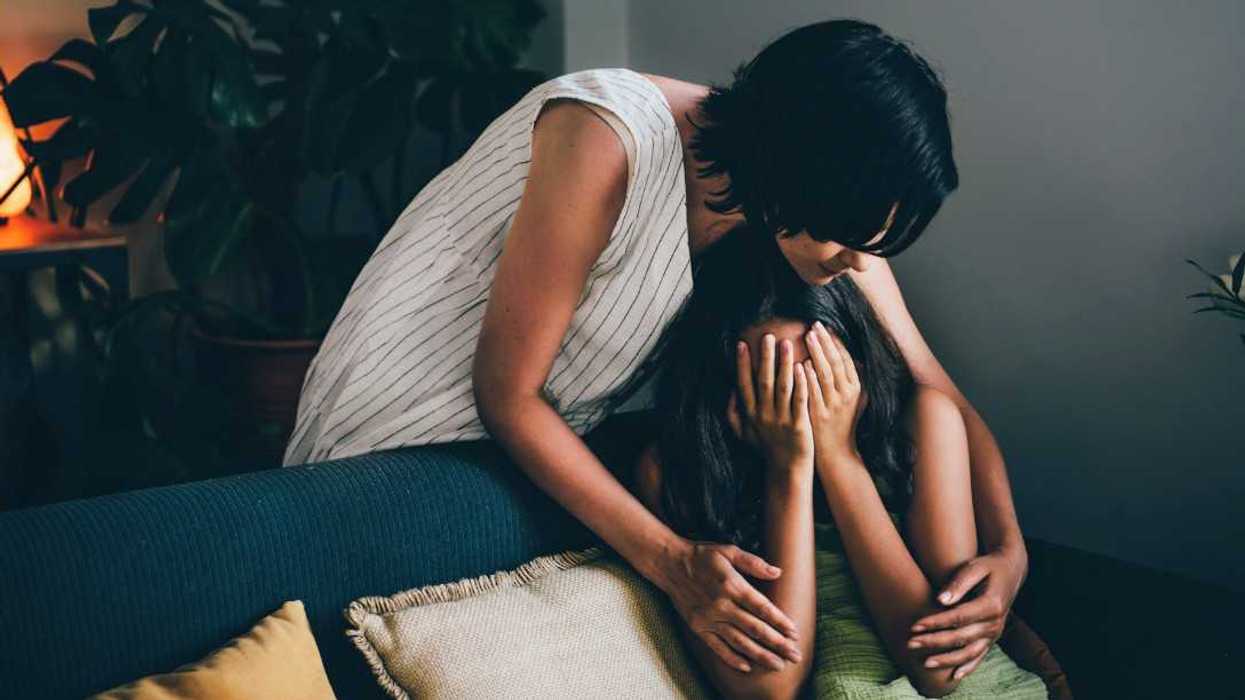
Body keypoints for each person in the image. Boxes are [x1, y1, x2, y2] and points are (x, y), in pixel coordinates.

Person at [284, 18, 1026, 682]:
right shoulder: (606, 133)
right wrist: (673, 565)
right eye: (851, 236)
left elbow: (939, 393)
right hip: (403, 418)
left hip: (540, 453)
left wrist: (1008, 553)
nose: (859, 262)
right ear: (804, 176)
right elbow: (507, 394)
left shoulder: (816, 219)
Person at [629, 227, 1047, 698]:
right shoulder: (676, 471)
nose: (805, 406)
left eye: (823, 378)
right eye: (775, 384)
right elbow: (770, 686)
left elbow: (939, 669)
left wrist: (838, 456)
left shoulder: (924, 423)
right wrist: (788, 471)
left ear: (858, 362)